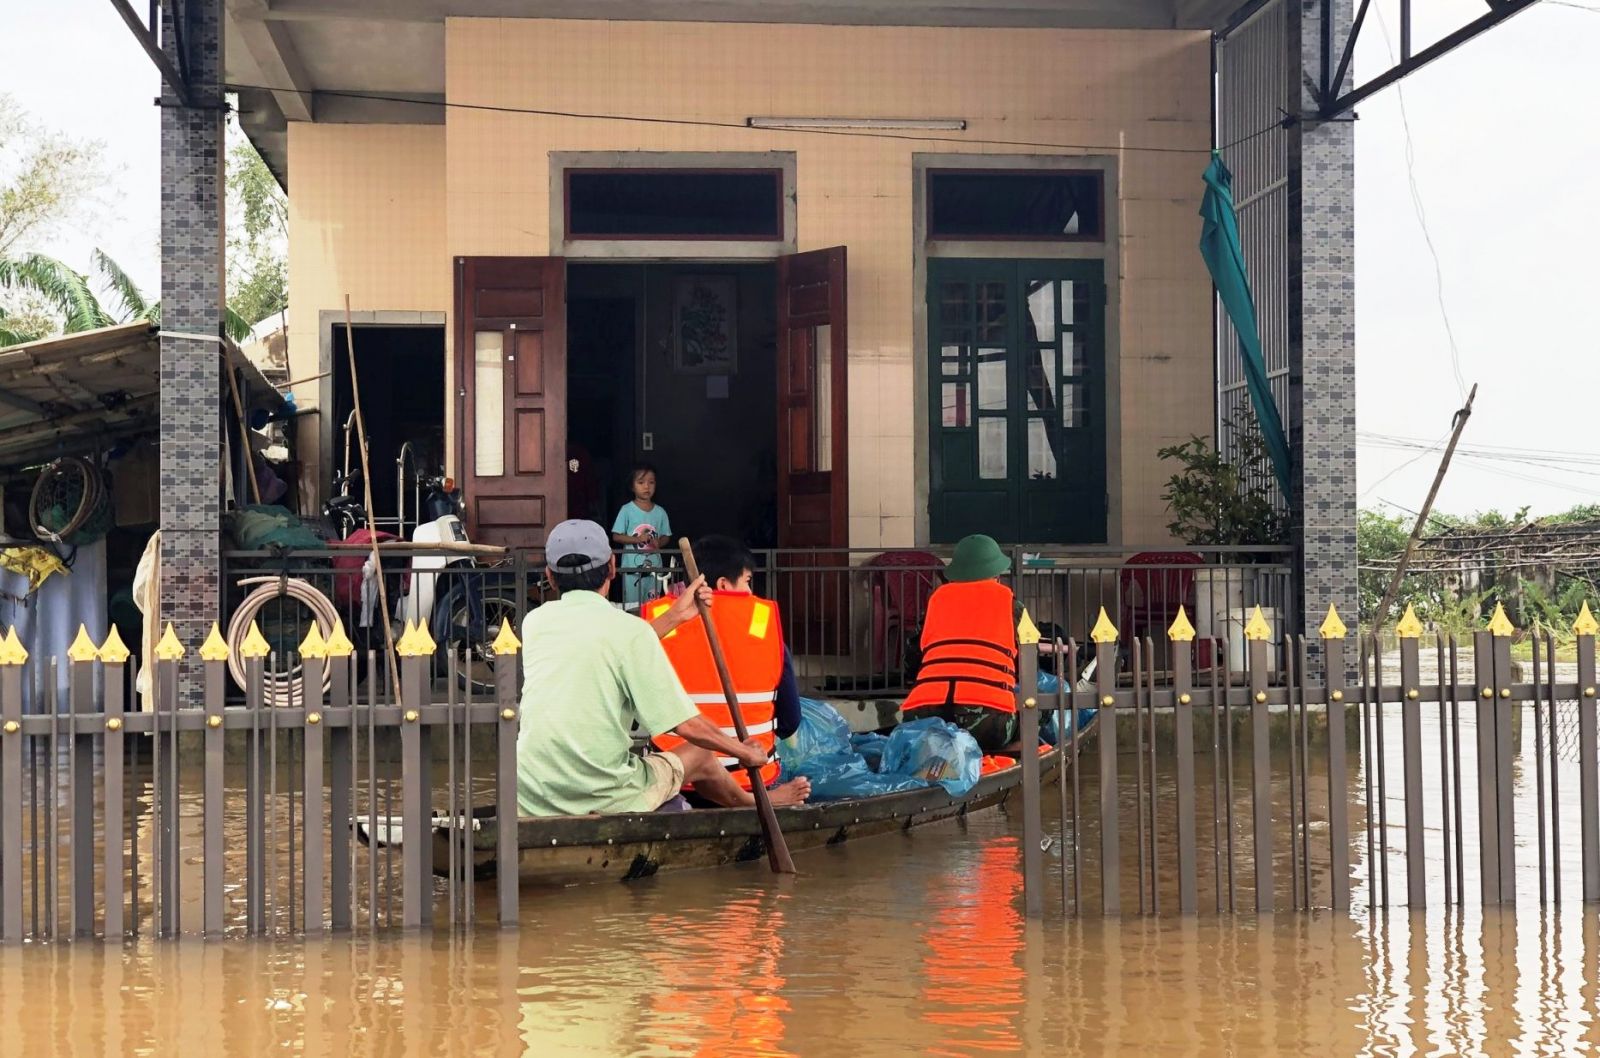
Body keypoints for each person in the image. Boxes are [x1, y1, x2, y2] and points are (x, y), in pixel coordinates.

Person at [516, 519, 806, 816]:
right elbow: (686, 725)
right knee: (701, 753)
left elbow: (612, 645)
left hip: (532, 793)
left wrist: (676, 616)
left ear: (550, 577)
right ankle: (757, 803)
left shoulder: (535, 623)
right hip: (603, 795)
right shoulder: (628, 631)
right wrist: (744, 751)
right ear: (613, 567)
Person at [643, 535, 807, 798]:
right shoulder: (763, 625)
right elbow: (790, 721)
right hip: (751, 776)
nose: (750, 592)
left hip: (676, 777)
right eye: (747, 581)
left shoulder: (657, 621)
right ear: (723, 583)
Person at [898, 533, 1019, 754]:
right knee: (1037, 709)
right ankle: (1008, 758)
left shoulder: (937, 600)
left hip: (922, 716)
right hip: (987, 720)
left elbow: (912, 658)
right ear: (996, 574)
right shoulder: (1010, 603)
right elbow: (1028, 658)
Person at [611, 464, 671, 610]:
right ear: (632, 487)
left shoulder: (660, 512)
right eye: (641, 482)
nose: (646, 487)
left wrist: (659, 542)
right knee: (633, 607)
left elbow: (666, 536)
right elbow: (616, 536)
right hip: (632, 570)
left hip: (654, 570)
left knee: (653, 606)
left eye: (651, 482)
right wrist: (637, 539)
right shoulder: (626, 510)